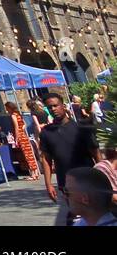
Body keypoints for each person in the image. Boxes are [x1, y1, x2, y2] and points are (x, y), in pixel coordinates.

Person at [40, 92, 100, 226]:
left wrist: (102, 175)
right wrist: (48, 184)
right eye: (50, 107)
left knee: (94, 213)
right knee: (76, 215)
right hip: (66, 182)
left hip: (87, 179)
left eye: (56, 105)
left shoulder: (81, 127)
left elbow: (96, 153)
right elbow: (46, 159)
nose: (53, 109)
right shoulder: (46, 132)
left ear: (63, 106)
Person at [5, 101, 39, 181]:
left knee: (27, 155)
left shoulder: (13, 115)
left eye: (7, 108)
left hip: (20, 136)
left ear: (9, 108)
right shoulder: (18, 114)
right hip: (24, 135)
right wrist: (22, 128)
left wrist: (16, 138)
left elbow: (16, 127)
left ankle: (33, 174)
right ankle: (35, 173)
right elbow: (24, 124)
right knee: (29, 154)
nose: (7, 110)